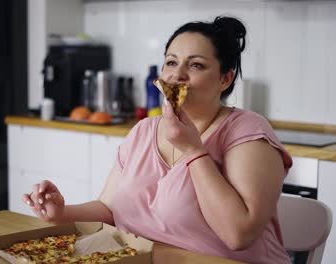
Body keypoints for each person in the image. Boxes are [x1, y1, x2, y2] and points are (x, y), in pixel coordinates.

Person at [22, 16, 293, 264]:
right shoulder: (143, 131)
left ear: (225, 79)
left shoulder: (246, 130)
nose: (177, 75)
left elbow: (238, 235)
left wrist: (193, 150)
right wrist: (61, 214)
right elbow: (109, 209)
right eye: (171, 62)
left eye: (196, 65)